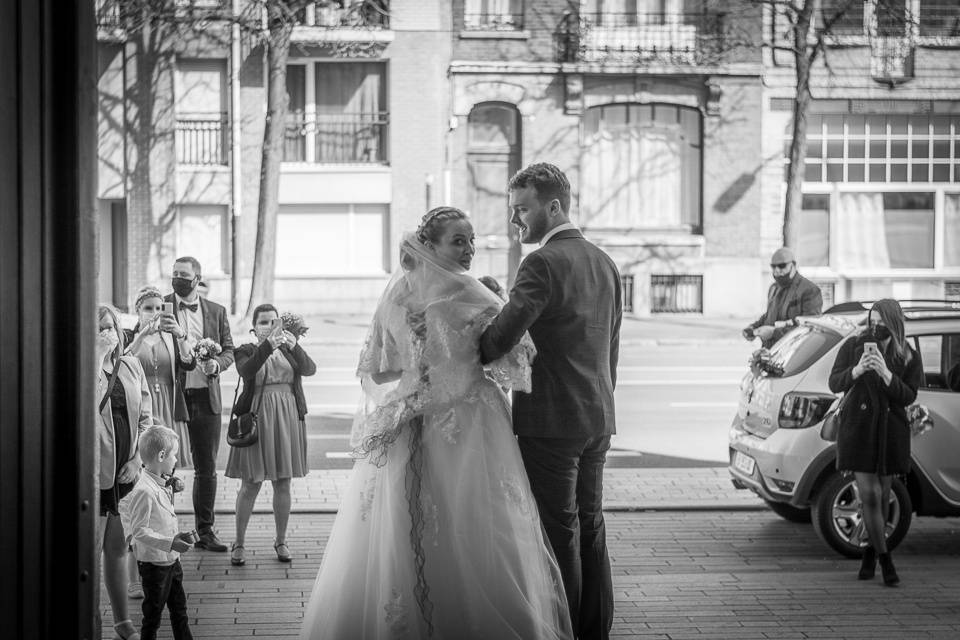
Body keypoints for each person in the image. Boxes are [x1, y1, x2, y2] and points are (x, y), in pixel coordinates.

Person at [299, 208, 573, 640]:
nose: (468, 250)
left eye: (471, 240)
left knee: (429, 522)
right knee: (460, 521)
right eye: (458, 241)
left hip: (417, 417)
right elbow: (516, 352)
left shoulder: (399, 294)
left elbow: (380, 369)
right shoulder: (471, 292)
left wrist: (418, 370)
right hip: (467, 417)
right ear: (430, 246)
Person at [479, 163, 621, 640]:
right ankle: (596, 629)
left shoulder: (540, 262)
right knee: (591, 523)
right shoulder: (604, 261)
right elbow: (612, 348)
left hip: (551, 421)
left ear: (553, 206)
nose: (516, 220)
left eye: (523, 208)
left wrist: (472, 340)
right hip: (597, 415)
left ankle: (567, 627)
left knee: (559, 530)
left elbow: (502, 334)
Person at [828, 299, 922, 586]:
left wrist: (885, 373)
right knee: (868, 495)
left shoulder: (907, 354)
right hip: (859, 430)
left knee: (883, 496)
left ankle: (870, 553)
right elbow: (834, 383)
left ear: (894, 322)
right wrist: (857, 370)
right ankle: (886, 561)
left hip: (890, 431)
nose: (876, 326)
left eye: (882, 322)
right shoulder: (853, 345)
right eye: (873, 320)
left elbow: (908, 396)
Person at [225, 304, 316, 566]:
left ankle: (281, 540)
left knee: (283, 481)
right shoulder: (247, 350)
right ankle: (239, 542)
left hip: (287, 417)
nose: (269, 326)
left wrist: (294, 345)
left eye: (273, 321)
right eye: (263, 322)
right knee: (250, 483)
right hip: (257, 416)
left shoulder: (289, 349)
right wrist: (268, 346)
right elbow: (247, 370)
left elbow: (310, 369)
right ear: (254, 327)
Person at [164, 257, 235, 552]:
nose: (178, 278)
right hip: (173, 397)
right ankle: (161, 531)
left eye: (184, 274)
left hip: (206, 399)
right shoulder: (162, 306)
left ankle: (205, 531)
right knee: (163, 466)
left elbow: (229, 349)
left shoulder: (216, 311)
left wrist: (217, 365)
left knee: (206, 468)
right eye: (175, 273)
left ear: (197, 278)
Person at [96, 304, 153, 640]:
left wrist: (137, 460)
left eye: (110, 327)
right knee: (90, 553)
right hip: (93, 476)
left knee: (117, 549)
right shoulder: (83, 370)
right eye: (99, 329)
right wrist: (96, 360)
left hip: (125, 473)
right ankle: (90, 621)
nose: (107, 334)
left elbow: (147, 416)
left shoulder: (131, 366)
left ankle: (122, 622)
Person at [119, 425, 195, 640]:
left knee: (180, 611)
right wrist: (171, 542)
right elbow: (139, 532)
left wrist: (171, 484)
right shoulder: (144, 491)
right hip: (154, 567)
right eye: (174, 455)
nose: (176, 460)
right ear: (162, 455)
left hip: (172, 561)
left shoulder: (157, 481)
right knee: (152, 617)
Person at [743, 247, 823, 349]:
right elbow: (769, 315)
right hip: (770, 351)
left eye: (782, 266)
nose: (777, 270)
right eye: (773, 266)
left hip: (793, 353)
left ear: (793, 265)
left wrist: (774, 333)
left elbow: (810, 327)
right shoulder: (774, 288)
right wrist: (753, 328)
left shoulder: (810, 290)